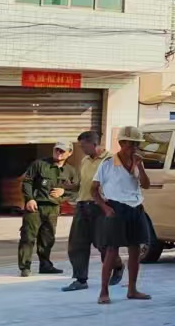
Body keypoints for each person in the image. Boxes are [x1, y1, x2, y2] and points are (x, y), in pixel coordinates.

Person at [91, 125, 152, 304]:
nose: (134, 148)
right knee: (112, 250)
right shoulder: (108, 164)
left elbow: (146, 185)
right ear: (122, 143)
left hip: (135, 207)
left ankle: (132, 289)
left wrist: (140, 167)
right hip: (116, 207)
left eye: (136, 144)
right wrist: (105, 208)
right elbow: (93, 189)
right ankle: (104, 291)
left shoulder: (138, 162)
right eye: (131, 144)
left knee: (135, 249)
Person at [61, 131, 120, 292]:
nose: (82, 149)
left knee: (103, 244)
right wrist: (69, 186)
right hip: (82, 205)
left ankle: (117, 266)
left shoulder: (111, 160)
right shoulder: (85, 160)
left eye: (83, 146)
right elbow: (82, 184)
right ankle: (80, 279)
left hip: (101, 207)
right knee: (77, 244)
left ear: (94, 144)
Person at [17, 144, 69, 276]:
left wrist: (63, 192)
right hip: (35, 206)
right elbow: (27, 181)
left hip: (53, 209)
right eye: (57, 150)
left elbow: (76, 189)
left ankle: (45, 265)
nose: (59, 153)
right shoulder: (39, 164)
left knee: (47, 239)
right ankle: (25, 267)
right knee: (28, 237)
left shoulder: (70, 171)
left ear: (70, 153)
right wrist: (29, 199)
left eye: (62, 151)